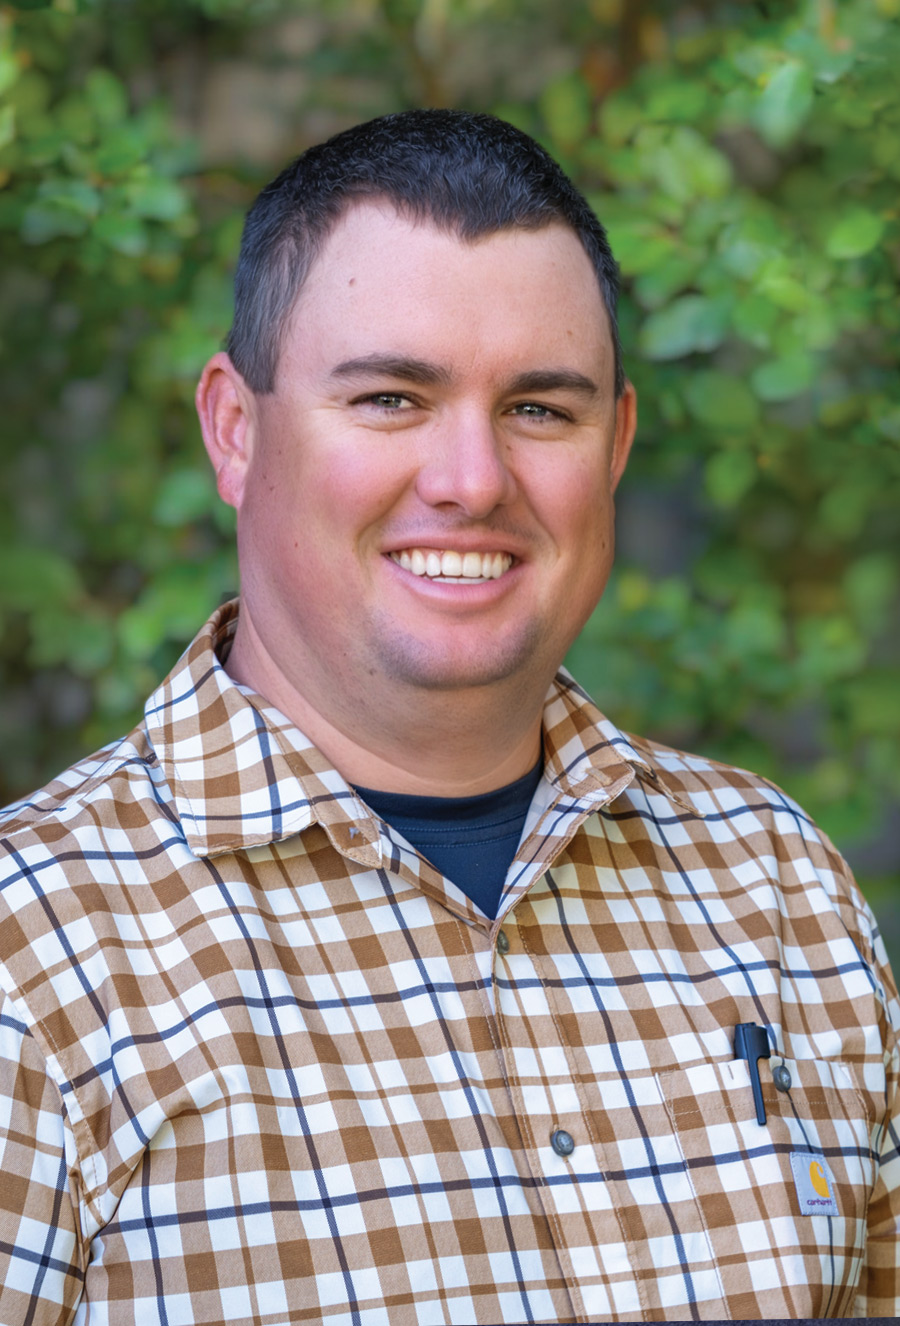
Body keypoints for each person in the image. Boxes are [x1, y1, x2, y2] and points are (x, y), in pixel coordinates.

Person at [0, 109, 896, 1325]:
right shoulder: (37, 966)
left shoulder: (780, 888)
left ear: (617, 444)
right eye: (389, 398)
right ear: (235, 429)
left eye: (540, 409)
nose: (472, 480)